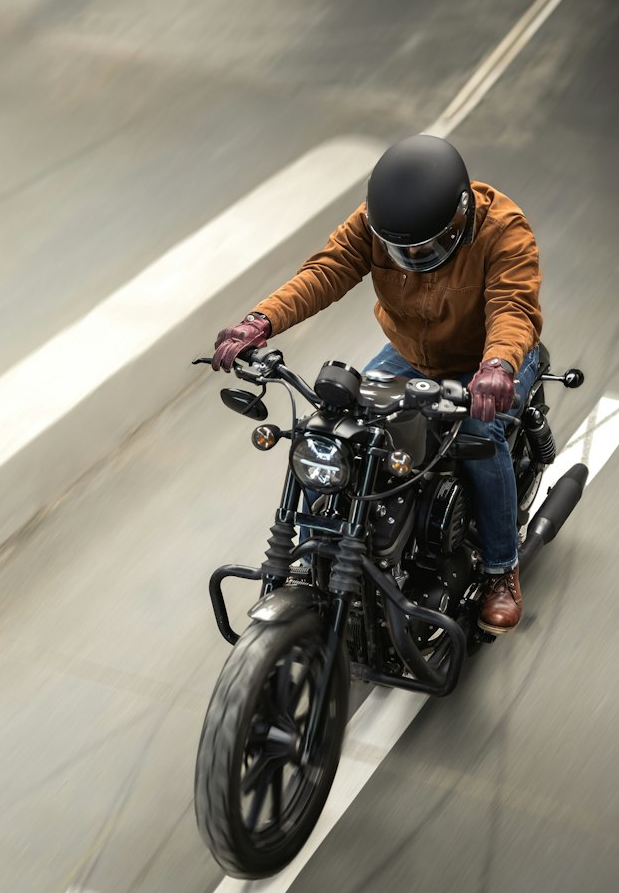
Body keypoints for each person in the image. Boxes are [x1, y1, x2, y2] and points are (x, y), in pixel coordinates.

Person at [212, 134, 543, 633]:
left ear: (459, 216)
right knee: (337, 430)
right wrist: (260, 322)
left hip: (487, 365)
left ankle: (501, 569)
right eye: (401, 249)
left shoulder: (503, 230)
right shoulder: (374, 222)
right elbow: (326, 271)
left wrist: (497, 365)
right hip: (411, 354)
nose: (414, 256)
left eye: (427, 246)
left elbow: (514, 309)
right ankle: (317, 554)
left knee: (481, 434)